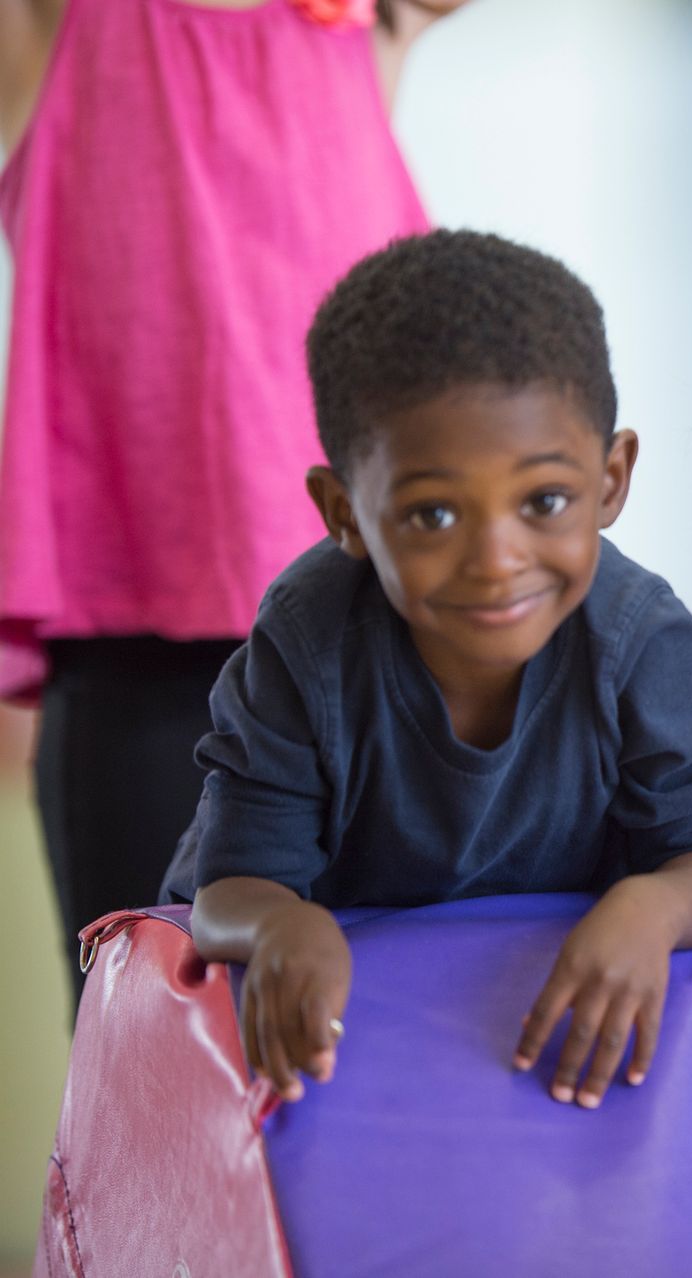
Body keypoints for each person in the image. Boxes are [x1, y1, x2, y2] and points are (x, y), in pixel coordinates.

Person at [161, 230, 692, 1112]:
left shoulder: (647, 644)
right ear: (346, 514)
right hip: (342, 1049)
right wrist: (281, 923)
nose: (496, 558)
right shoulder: (306, 640)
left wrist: (654, 909)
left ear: (611, 479)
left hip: (528, 1039)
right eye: (433, 513)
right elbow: (226, 893)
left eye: (544, 502)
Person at [0, 0, 465, 990]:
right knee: (146, 1041)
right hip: (135, 652)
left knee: (370, 1037)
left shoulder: (364, 20)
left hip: (371, 636)